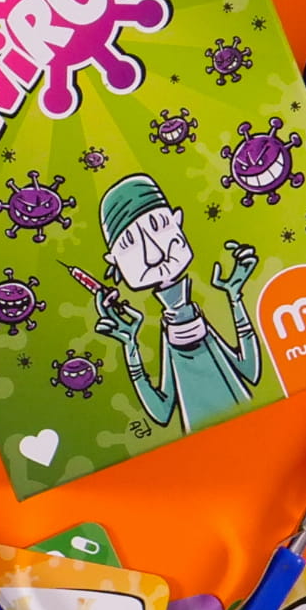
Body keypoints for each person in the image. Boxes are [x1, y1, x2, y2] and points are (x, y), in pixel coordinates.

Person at [88, 174, 261, 433]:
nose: (154, 254)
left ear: (177, 220)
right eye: (129, 245)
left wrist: (236, 298)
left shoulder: (193, 322)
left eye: (159, 226)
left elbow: (250, 370)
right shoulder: (170, 337)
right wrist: (130, 346)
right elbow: (162, 412)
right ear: (114, 261)